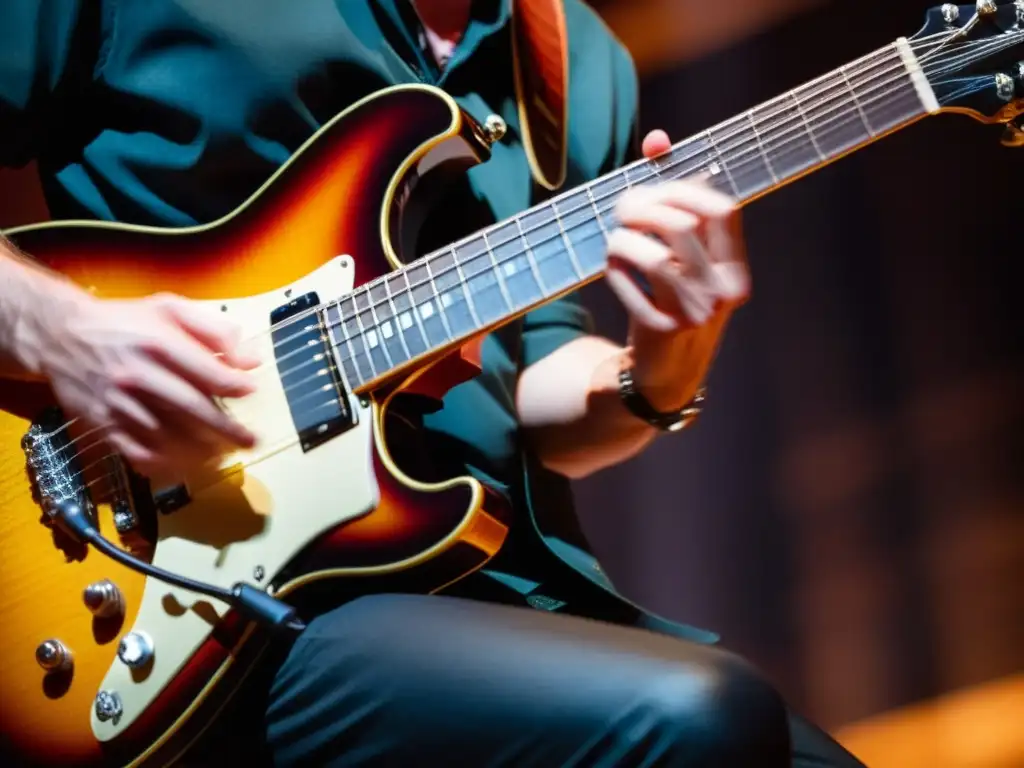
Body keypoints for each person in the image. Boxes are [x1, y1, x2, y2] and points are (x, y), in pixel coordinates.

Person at [0, 1, 866, 766]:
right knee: (697, 717)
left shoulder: (572, 57)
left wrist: (664, 364)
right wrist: (70, 334)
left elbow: (530, 383)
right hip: (216, 597)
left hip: (485, 584)